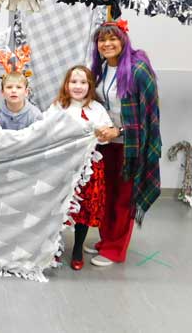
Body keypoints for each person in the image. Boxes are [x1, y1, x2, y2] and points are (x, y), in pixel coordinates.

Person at [87, 19, 161, 267]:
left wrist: (118, 130)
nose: (107, 44)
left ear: (123, 40)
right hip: (106, 143)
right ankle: (105, 240)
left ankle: (115, 249)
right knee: (106, 194)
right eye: (102, 40)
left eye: (112, 38)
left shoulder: (138, 69)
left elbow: (148, 117)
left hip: (131, 145)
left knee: (124, 198)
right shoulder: (100, 69)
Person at [55, 65, 113, 270]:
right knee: (58, 206)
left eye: (83, 82)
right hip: (62, 167)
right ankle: (54, 246)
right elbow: (46, 131)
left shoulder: (97, 109)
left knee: (84, 209)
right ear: (66, 84)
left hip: (89, 168)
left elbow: (107, 136)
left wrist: (104, 134)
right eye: (73, 82)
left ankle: (78, 247)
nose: (78, 86)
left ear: (90, 85)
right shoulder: (58, 107)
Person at [0, 46, 42, 130]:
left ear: (26, 92)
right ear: (2, 92)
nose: (14, 91)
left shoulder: (35, 114)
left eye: (18, 87)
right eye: (9, 87)